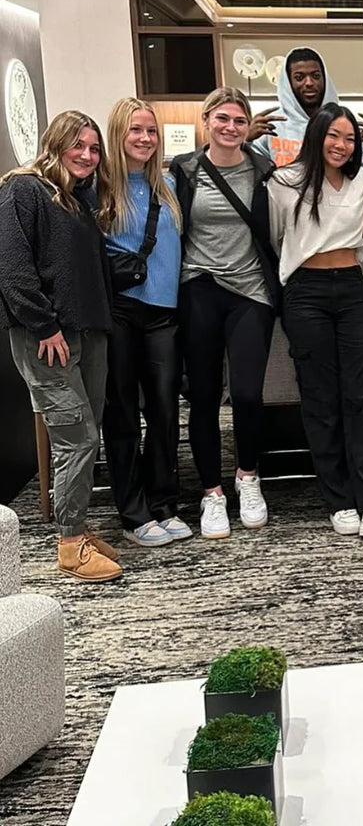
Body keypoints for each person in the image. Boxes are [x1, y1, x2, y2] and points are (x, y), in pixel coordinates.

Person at [0, 112, 120, 581]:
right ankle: (70, 546)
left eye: (94, 148)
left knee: (87, 434)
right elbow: (12, 268)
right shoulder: (23, 189)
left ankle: (78, 527)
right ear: (56, 143)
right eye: (79, 145)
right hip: (48, 337)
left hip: (88, 332)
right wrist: (43, 325)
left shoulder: (76, 199)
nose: (87, 155)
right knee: (76, 436)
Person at [269, 104, 363, 538]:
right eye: (333, 136)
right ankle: (340, 500)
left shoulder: (362, 182)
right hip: (306, 291)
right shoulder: (285, 181)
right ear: (316, 136)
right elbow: (276, 237)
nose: (342, 145)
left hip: (353, 289)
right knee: (320, 399)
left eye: (349, 138)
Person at [171, 87, 280, 539]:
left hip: (251, 290)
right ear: (206, 121)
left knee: (249, 394)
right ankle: (211, 492)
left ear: (247, 126)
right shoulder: (185, 170)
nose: (230, 127)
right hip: (199, 286)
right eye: (222, 119)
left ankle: (247, 476)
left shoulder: (264, 170)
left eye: (239, 120)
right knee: (203, 395)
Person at [101, 98, 190, 547]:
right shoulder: (99, 190)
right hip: (119, 311)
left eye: (151, 131)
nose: (144, 138)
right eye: (135, 130)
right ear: (118, 134)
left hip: (163, 314)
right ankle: (133, 513)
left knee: (165, 411)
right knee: (121, 412)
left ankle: (164, 504)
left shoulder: (169, 187)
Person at [246, 46, 363, 174]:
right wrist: (246, 140)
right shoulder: (270, 126)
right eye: (299, 77)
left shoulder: (346, 124)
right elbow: (249, 175)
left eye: (315, 76)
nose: (309, 83)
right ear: (288, 82)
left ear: (324, 78)